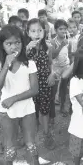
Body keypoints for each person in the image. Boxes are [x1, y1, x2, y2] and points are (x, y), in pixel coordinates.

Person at [0, 25, 47, 165]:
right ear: (1, 45)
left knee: (30, 141)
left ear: (23, 43)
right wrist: (6, 66)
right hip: (7, 111)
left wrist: (14, 98)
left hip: (27, 109)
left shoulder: (29, 63)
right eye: (8, 43)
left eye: (17, 42)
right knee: (10, 142)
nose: (14, 46)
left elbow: (34, 89)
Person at [25, 18, 56, 150]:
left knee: (44, 109)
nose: (37, 33)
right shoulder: (25, 48)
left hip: (44, 82)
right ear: (28, 33)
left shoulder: (48, 47)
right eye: (33, 31)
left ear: (44, 31)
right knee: (30, 110)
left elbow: (50, 63)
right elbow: (21, 64)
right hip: (29, 84)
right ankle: (28, 136)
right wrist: (26, 49)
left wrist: (52, 74)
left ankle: (46, 134)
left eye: (40, 30)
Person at [50, 19, 70, 123]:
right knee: (53, 90)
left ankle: (62, 107)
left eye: (65, 29)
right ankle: (52, 112)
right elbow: (53, 55)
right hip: (56, 68)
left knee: (63, 88)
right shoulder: (53, 42)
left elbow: (69, 53)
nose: (63, 31)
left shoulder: (68, 39)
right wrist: (62, 45)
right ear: (56, 30)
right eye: (61, 29)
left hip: (65, 66)